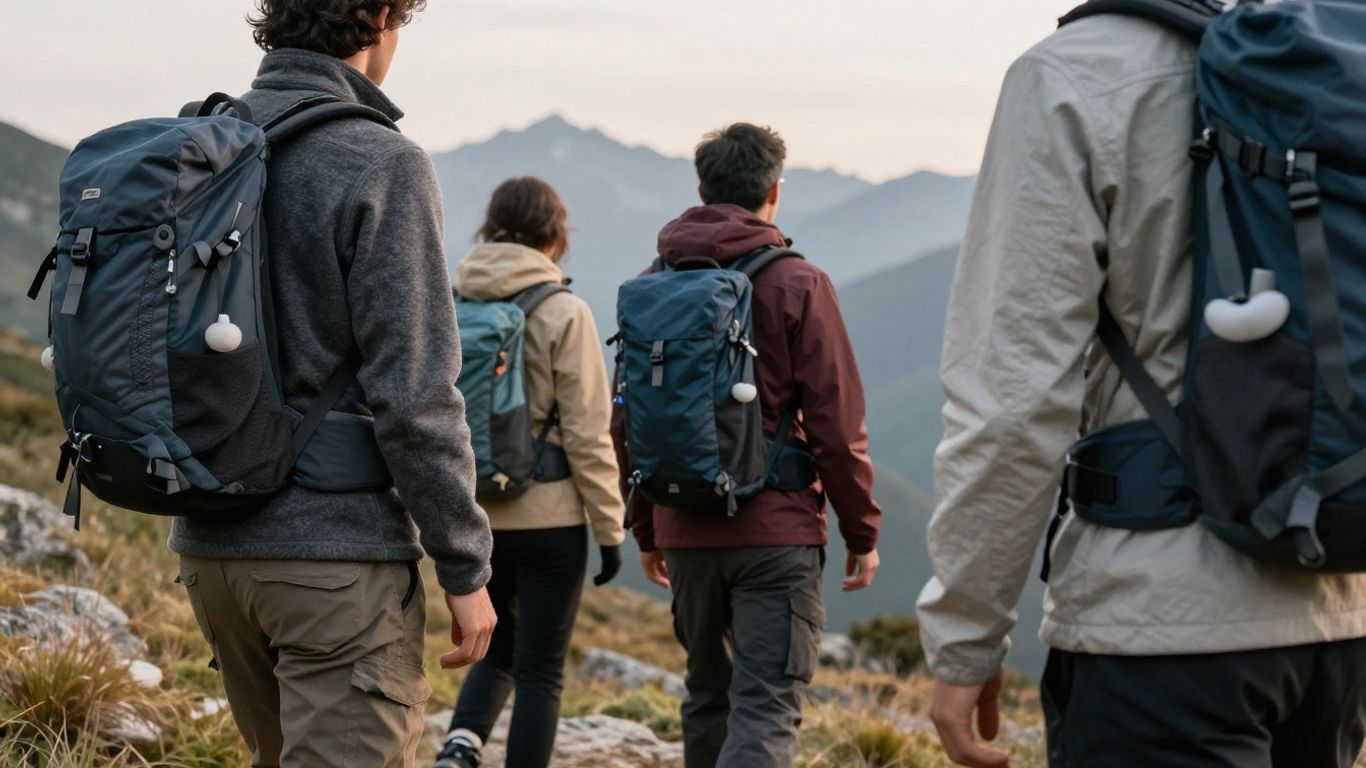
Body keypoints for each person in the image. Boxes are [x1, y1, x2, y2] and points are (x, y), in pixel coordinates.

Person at [917, 9, 1366, 768]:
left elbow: (1013, 405)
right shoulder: (1331, 55)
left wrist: (965, 637)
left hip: (1158, 627)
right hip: (1340, 614)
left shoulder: (1072, 74)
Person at [169, 2, 497, 766]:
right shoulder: (379, 159)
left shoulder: (197, 146)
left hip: (208, 547)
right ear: (382, 16)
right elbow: (416, 395)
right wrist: (464, 565)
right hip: (330, 564)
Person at [613, 123, 883, 768]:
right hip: (775, 530)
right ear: (775, 194)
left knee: (708, 697)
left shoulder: (654, 283)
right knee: (765, 705)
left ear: (703, 189)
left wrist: (648, 526)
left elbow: (628, 420)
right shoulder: (799, 282)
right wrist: (863, 533)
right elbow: (835, 425)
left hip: (684, 525)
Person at [433, 177, 627, 768]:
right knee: (540, 669)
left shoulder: (449, 300)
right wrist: (610, 529)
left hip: (472, 515)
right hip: (551, 518)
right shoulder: (564, 311)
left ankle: (460, 747)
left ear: (489, 228)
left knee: (493, 645)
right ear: (555, 232)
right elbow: (588, 434)